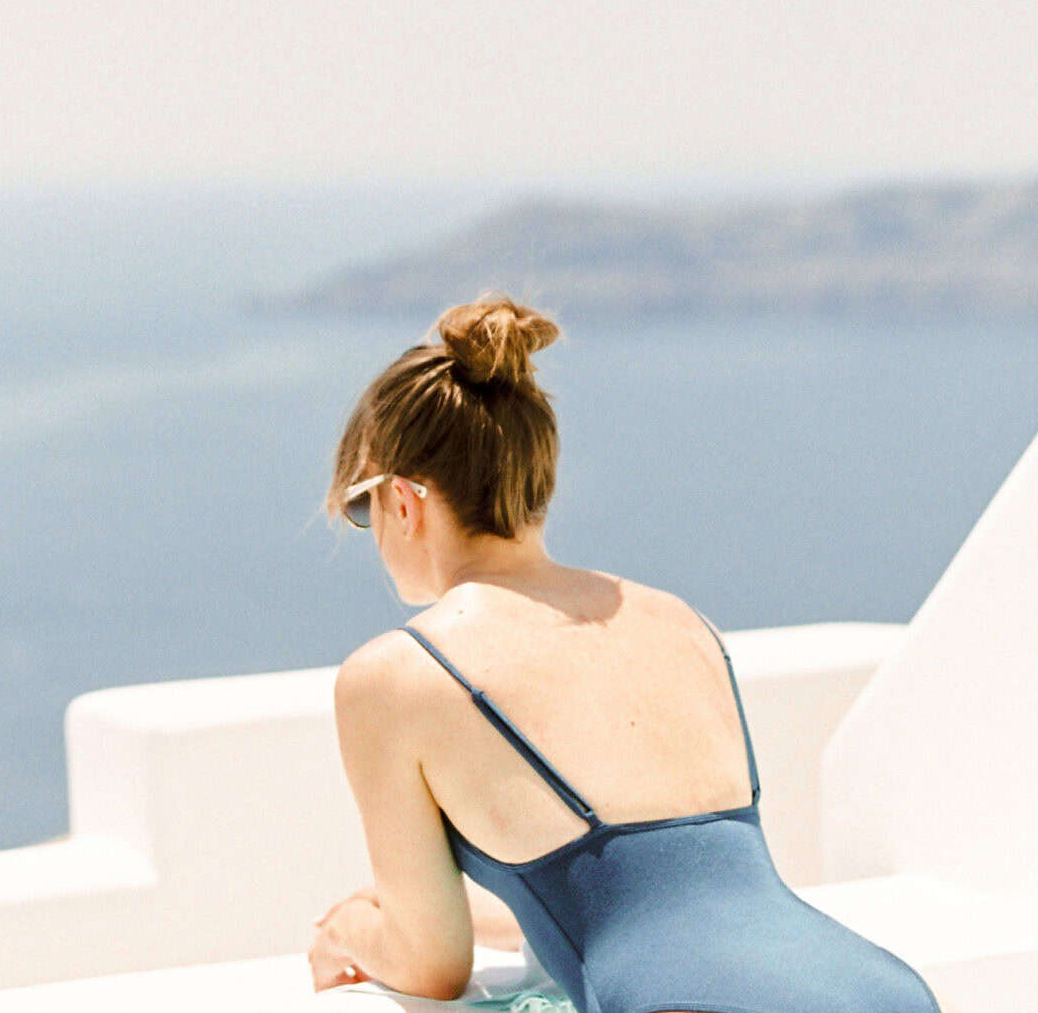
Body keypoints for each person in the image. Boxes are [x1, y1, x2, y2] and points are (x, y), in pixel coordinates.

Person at [307, 294, 946, 1013]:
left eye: (360, 509)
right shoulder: (677, 620)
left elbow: (432, 967)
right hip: (879, 989)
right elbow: (649, 888)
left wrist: (352, 932)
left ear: (403, 501)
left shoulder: (396, 675)